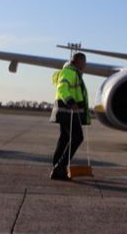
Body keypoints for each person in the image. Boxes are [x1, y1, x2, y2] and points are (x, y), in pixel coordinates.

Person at [49, 52, 90, 180]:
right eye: (84, 61)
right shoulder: (69, 72)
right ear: (78, 61)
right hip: (68, 112)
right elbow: (62, 88)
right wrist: (71, 102)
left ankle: (57, 168)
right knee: (78, 137)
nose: (85, 64)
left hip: (67, 112)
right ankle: (59, 167)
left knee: (64, 139)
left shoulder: (74, 73)